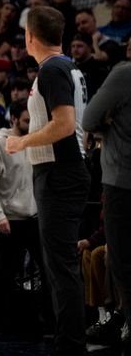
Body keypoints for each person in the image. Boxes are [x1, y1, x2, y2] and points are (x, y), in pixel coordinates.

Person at [7, 6, 90, 356]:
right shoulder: (65, 66)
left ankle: (70, 344)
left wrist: (21, 141)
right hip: (63, 172)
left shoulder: (53, 69)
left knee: (60, 265)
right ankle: (68, 339)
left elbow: (64, 125)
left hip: (60, 173)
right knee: (58, 264)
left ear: (29, 36)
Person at [0, 98, 43, 331]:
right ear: (14, 119)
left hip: (33, 217)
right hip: (10, 219)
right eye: (26, 120)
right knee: (6, 274)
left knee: (45, 270)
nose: (30, 123)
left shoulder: (35, 139)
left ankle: (45, 321)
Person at [83, 62, 131, 356]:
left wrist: (107, 121)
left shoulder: (125, 73)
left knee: (123, 262)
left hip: (123, 181)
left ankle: (126, 326)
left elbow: (88, 119)